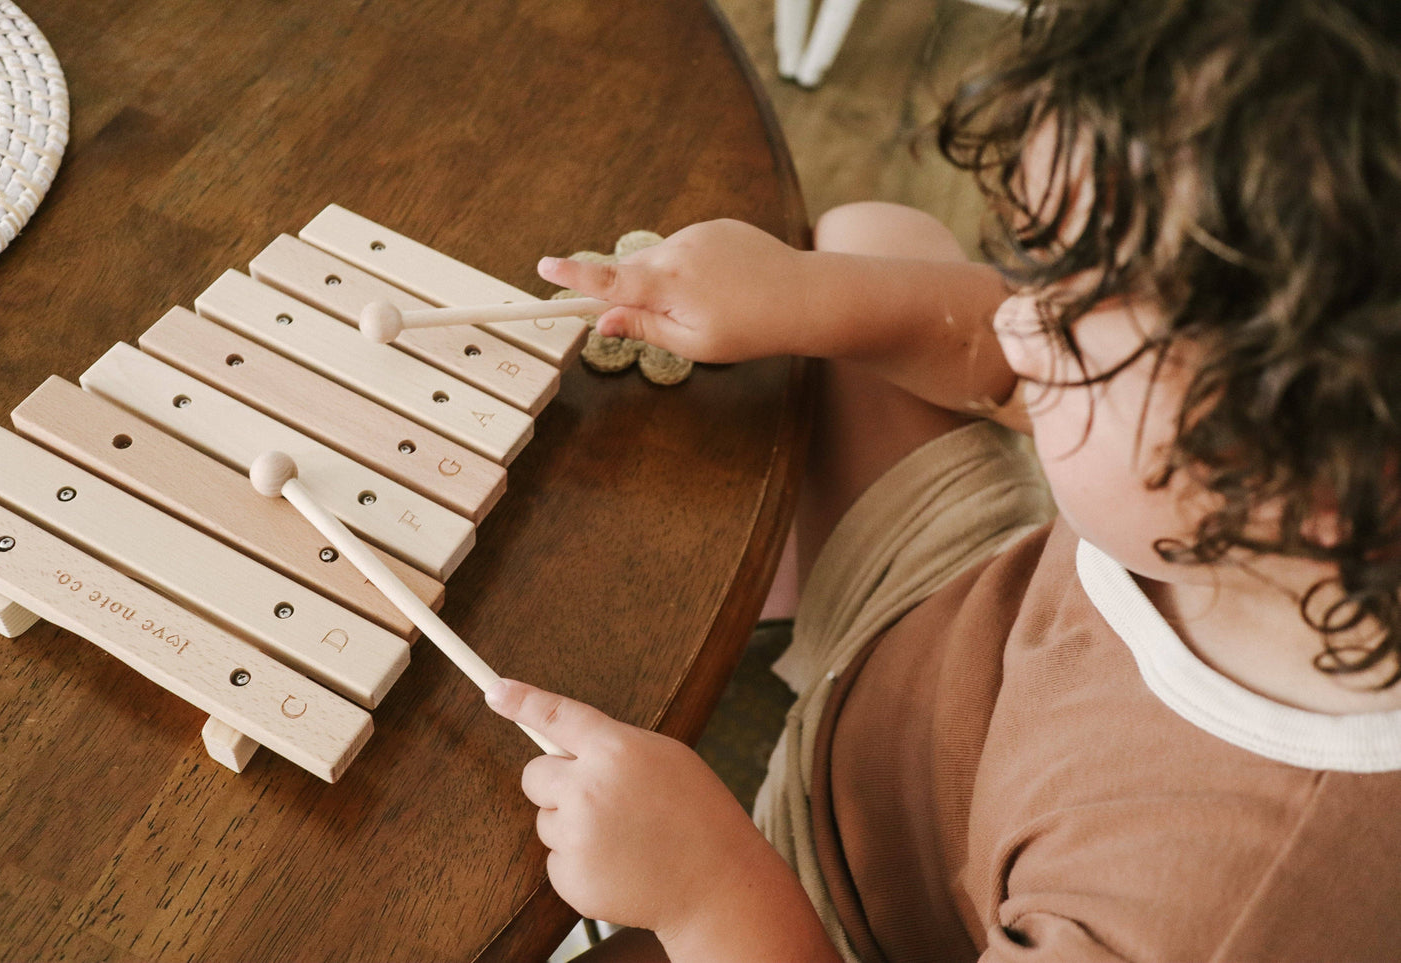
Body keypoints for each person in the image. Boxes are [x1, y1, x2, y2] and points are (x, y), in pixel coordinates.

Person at [484, 0, 1401, 959]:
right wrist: (790, 294)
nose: (1013, 323)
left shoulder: (1204, 915)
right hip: (950, 633)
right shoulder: (1256, 493)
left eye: (1071, 323)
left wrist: (707, 887)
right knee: (871, 233)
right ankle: (791, 607)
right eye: (1041, 270)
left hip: (846, 914)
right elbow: (1003, 358)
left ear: (1312, 479)